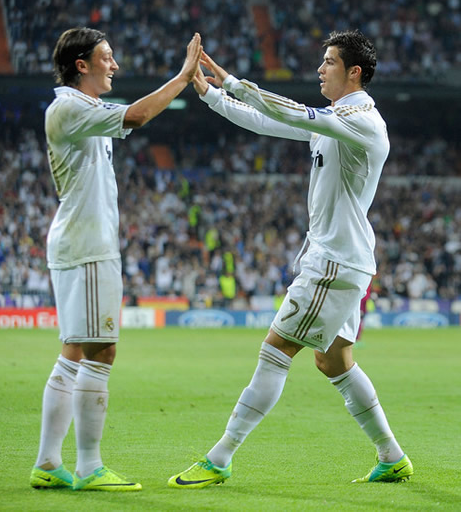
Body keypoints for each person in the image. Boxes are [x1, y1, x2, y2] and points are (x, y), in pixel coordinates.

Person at [168, 30, 413, 488]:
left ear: (353, 72)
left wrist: (234, 82)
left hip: (334, 262)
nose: (320, 69)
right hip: (342, 257)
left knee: (276, 350)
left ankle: (220, 457)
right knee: (333, 361)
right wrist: (210, 94)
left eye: (329, 62)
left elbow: (292, 111)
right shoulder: (338, 118)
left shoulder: (361, 119)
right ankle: (392, 456)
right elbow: (270, 123)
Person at [30, 27, 202, 491]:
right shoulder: (69, 107)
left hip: (84, 243)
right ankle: (88, 466)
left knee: (74, 352)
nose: (115, 65)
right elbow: (140, 115)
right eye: (106, 57)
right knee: (100, 351)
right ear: (81, 64)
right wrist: (184, 76)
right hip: (86, 248)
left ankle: (48, 463)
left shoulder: (81, 109)